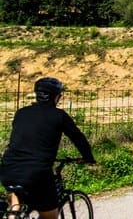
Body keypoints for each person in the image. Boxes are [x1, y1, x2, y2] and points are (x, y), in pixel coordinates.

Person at [0, 77, 95, 219]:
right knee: (50, 216)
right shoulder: (59, 116)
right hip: (38, 174)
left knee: (16, 200)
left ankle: (13, 216)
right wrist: (88, 158)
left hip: (9, 169)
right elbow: (78, 138)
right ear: (56, 97)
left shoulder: (21, 113)